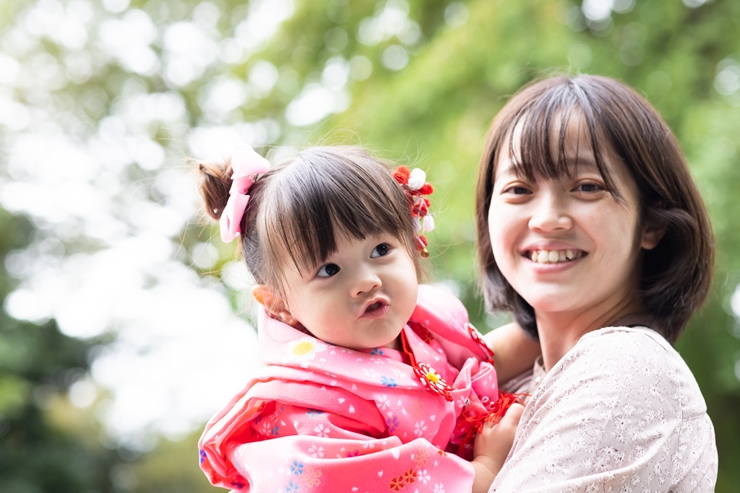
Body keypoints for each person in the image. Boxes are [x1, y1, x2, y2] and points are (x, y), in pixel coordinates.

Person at [195, 145, 540, 493]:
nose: (366, 281)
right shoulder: (310, 410)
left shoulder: (418, 325)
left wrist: (561, 326)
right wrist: (487, 467)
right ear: (280, 304)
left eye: (380, 250)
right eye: (329, 269)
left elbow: (483, 359)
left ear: (410, 240)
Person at [475, 74, 718, 492]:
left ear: (652, 223)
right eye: (519, 189)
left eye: (587, 187)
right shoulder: (522, 380)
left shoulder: (625, 371)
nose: (547, 218)